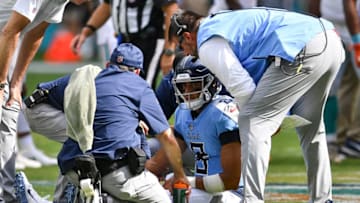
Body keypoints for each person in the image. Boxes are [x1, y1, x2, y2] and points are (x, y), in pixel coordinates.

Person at [168, 8, 345, 203]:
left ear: (187, 36)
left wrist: (269, 119)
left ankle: (252, 200)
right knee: (310, 126)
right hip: (330, 39)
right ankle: (322, 199)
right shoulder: (222, 21)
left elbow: (241, 86)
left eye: (181, 46)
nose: (184, 52)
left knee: (253, 120)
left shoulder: (207, 42)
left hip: (303, 47)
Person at [25, 43, 190, 202]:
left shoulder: (89, 77)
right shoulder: (139, 85)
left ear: (107, 64)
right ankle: (95, 198)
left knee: (83, 138)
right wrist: (180, 175)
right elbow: (167, 137)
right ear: (138, 71)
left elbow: (42, 95)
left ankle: (87, 197)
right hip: (115, 172)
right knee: (162, 199)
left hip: (72, 165)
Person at [0, 0, 90, 202]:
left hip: (5, 42)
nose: (87, 3)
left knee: (8, 115)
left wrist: (16, 83)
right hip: (4, 38)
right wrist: (1, 85)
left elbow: (35, 34)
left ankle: (5, 195)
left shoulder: (61, 1)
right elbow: (10, 31)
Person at [146, 56, 243, 202]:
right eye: (183, 85)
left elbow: (231, 180)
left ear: (211, 83)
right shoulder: (183, 113)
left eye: (194, 84)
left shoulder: (224, 114)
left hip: (232, 193)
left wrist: (186, 181)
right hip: (204, 190)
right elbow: (159, 162)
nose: (187, 91)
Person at [70, 0, 179, 88]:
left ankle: (144, 115)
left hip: (150, 41)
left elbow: (171, 9)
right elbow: (107, 6)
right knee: (120, 85)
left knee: (143, 87)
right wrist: (86, 31)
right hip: (125, 41)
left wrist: (169, 50)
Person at [309, 0, 360, 162]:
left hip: (334, 25)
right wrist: (357, 40)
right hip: (345, 28)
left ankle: (345, 140)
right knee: (330, 85)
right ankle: (333, 142)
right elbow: (348, 4)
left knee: (342, 87)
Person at [339, 0, 360, 159]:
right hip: (350, 32)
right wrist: (357, 40)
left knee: (347, 86)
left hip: (349, 31)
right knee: (345, 86)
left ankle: (350, 139)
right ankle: (352, 139)